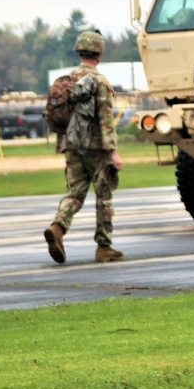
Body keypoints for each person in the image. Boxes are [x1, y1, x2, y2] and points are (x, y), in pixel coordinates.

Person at [43, 31, 124, 264]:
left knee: (75, 194)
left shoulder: (66, 80)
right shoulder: (101, 82)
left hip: (71, 146)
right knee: (104, 196)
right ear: (99, 53)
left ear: (80, 51)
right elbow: (106, 119)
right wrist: (113, 152)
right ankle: (104, 246)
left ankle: (58, 226)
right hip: (97, 149)